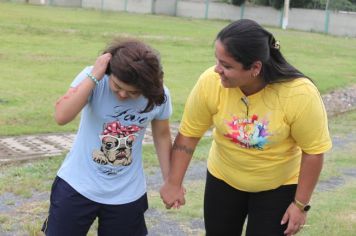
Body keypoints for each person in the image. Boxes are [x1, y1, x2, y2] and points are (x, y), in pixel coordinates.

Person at [160, 19, 332, 236]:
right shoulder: (210, 82)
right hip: (223, 180)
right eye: (217, 60)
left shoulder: (299, 94)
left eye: (227, 65)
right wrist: (174, 183)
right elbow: (189, 135)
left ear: (255, 68)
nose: (217, 69)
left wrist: (300, 205)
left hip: (277, 187)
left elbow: (313, 152)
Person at [42, 38, 173, 236]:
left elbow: (162, 136)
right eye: (117, 86)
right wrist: (95, 74)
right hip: (77, 185)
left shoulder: (158, 95)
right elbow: (61, 116)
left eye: (132, 92)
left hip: (127, 193)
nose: (122, 94)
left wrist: (170, 182)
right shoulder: (95, 79)